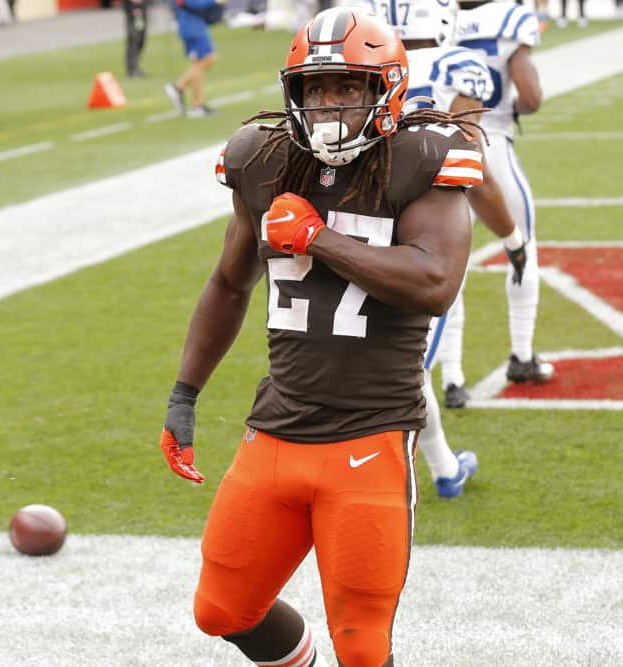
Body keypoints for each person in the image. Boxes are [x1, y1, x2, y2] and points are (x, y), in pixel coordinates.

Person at [158, 7, 483, 664]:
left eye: (347, 88)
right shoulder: (263, 158)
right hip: (278, 427)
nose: (329, 104)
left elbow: (435, 281)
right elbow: (228, 284)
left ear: (383, 89)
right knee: (221, 609)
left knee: (363, 648)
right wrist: (184, 394)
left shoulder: (423, 158)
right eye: (316, 88)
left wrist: (319, 239)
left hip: (371, 433)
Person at [377, 0, 526, 494]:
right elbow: (472, 170)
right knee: (406, 367)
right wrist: (512, 237)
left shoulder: (368, 64)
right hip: (426, 235)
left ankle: (443, 467)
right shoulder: (457, 66)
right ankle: (390, 475)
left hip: (363, 222)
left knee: (397, 362)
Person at [442, 0, 549, 406]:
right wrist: (507, 112)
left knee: (448, 263)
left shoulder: (441, 18)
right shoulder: (512, 16)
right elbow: (532, 96)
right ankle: (522, 354)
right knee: (522, 247)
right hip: (493, 145)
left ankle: (452, 376)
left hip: (445, 151)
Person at [165, 0, 225, 117]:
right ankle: (178, 88)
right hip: (192, 27)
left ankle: (197, 104)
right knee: (207, 59)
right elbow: (194, 3)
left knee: (200, 63)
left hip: (194, 24)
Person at [123, 0, 148, 78]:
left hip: (141, 12)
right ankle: (132, 69)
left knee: (141, 41)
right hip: (132, 11)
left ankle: (136, 67)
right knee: (133, 40)